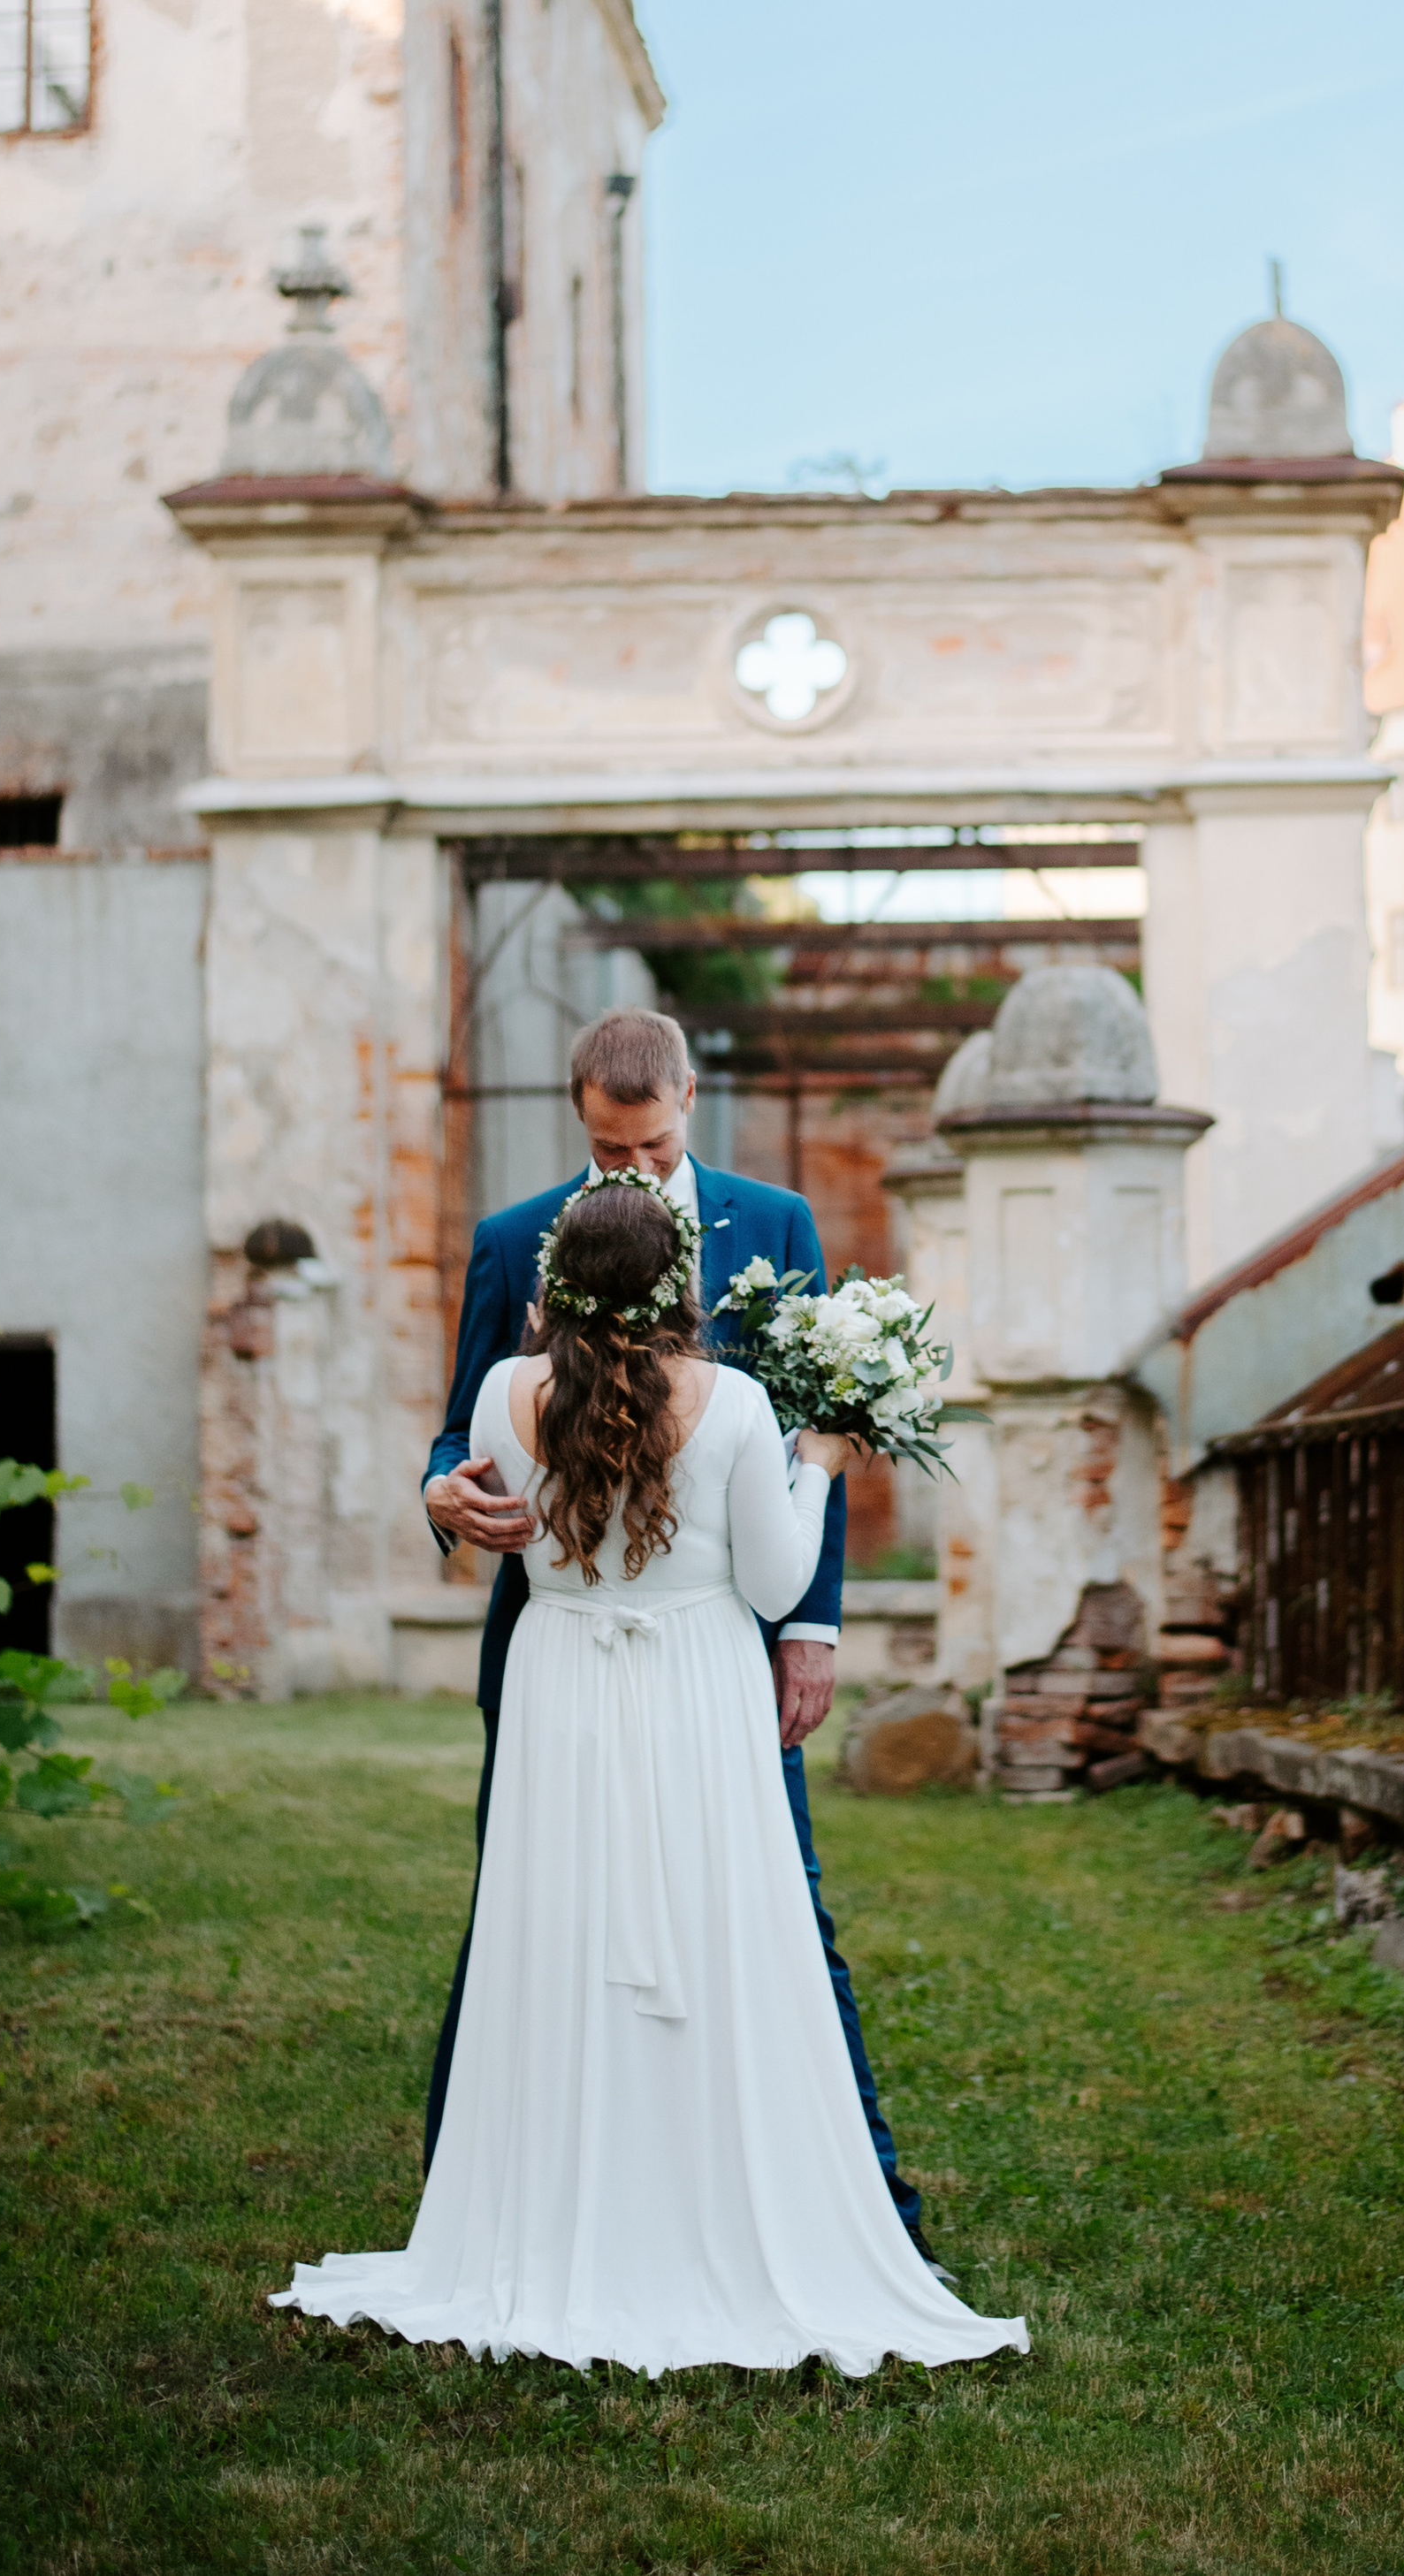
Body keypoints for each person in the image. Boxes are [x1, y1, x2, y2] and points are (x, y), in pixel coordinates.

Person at [274, 1174, 1026, 2374]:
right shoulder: (729, 1402)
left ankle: (558, 2214)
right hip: (695, 1693)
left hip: (562, 1682)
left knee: (563, 1937)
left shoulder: (500, 1395)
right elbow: (778, 1586)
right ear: (682, 1284)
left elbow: (503, 1524)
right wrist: (822, 1460)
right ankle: (706, 2210)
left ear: (549, 1284)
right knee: (710, 1933)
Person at [419, 1009, 927, 2249]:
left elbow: (804, 1418)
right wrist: (439, 1492)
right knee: (529, 1907)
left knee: (775, 1901)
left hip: (726, 1653)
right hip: (561, 1641)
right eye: (605, 1148)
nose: (628, 1170)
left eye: (646, 1148)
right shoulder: (510, 1240)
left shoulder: (778, 1223)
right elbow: (462, 1429)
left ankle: (866, 2196)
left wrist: (810, 1630)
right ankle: (475, 2190)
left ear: (688, 1101)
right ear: (579, 1117)